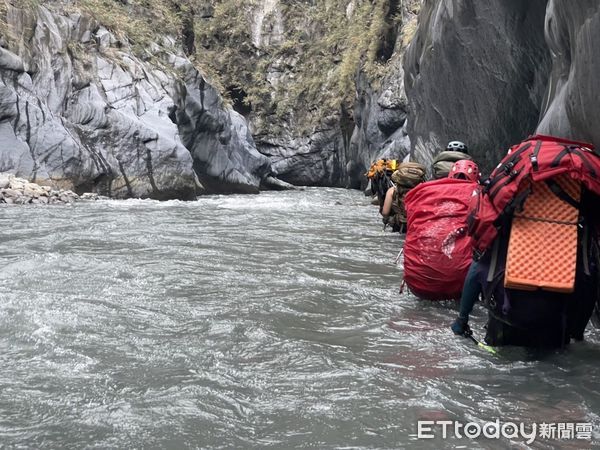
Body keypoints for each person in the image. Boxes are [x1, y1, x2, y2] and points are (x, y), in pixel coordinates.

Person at [381, 162, 426, 233]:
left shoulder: (392, 191)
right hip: (417, 228)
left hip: (398, 227)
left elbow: (385, 212)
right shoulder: (424, 191)